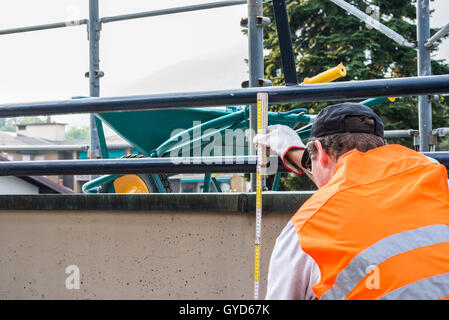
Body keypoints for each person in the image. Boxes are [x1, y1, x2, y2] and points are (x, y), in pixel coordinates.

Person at [253, 102, 449, 300]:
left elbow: (339, 187)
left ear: (319, 152)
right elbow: (350, 180)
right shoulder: (436, 179)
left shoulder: (306, 230)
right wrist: (292, 150)